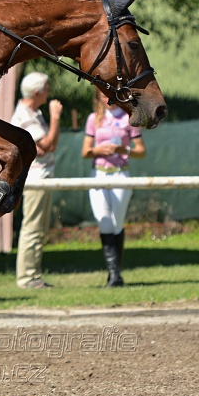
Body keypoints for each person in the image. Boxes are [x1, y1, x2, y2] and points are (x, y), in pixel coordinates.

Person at [81, 89, 146, 287]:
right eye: (102, 93)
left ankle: (115, 274)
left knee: (117, 223)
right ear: (98, 97)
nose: (106, 97)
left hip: (120, 173)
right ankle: (114, 275)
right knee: (104, 221)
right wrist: (97, 150)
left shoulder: (128, 118)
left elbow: (141, 151)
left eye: (109, 93)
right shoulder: (94, 119)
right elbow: (85, 152)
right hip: (99, 173)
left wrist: (123, 150)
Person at [10, 72, 62, 289]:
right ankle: (27, 278)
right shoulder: (26, 116)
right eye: (47, 89)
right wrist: (56, 116)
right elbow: (48, 144)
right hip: (35, 177)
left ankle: (34, 275)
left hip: (41, 175)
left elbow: (45, 146)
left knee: (39, 229)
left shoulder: (32, 113)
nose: (49, 93)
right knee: (32, 228)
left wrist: (44, 144)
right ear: (37, 92)